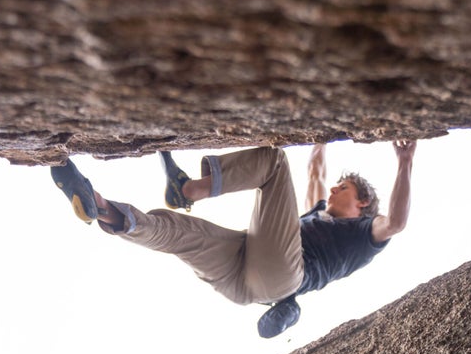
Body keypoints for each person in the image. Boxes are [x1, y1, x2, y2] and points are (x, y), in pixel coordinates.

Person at [50, 140, 416, 337]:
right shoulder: (316, 211)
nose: (335, 187)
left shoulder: (363, 234)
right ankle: (101, 207)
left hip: (285, 275)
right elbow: (315, 169)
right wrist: (321, 135)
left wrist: (405, 161)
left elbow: (396, 223)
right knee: (181, 234)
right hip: (243, 280)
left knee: (273, 162)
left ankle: (189, 188)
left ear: (363, 202)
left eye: (345, 187)